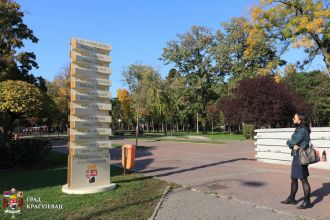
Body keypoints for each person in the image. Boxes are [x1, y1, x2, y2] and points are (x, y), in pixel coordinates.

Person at [281, 112, 312, 209]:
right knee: (294, 177)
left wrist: (289, 143)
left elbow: (292, 141)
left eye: (294, 118)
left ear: (300, 120)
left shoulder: (302, 130)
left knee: (303, 179)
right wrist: (292, 143)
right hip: (296, 156)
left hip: (300, 157)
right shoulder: (299, 129)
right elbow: (293, 141)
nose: (293, 119)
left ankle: (307, 202)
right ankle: (292, 198)